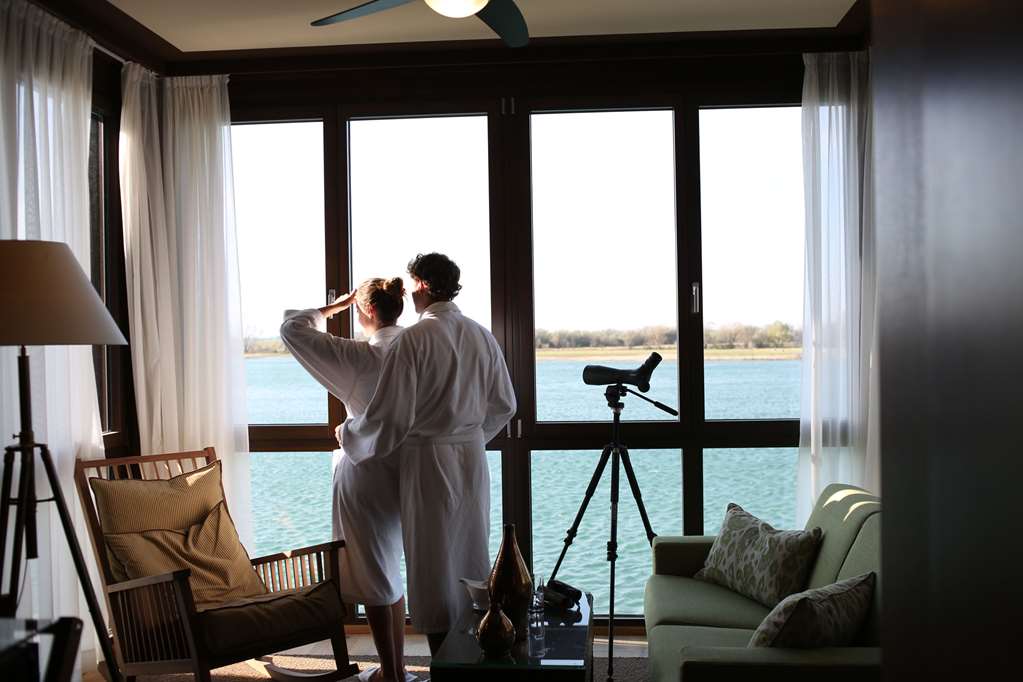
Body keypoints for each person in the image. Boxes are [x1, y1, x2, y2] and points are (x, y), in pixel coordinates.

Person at [340, 253, 517, 655]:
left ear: (421, 284)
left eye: (412, 284)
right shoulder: (481, 335)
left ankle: (445, 659)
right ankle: (477, 646)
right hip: (471, 459)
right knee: (470, 552)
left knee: (433, 563)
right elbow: (505, 405)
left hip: (427, 461)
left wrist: (348, 433)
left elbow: (390, 416)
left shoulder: (414, 339)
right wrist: (470, 437)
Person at [280, 278, 415, 682]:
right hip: (411, 470)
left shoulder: (361, 356)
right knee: (390, 570)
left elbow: (292, 329)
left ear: (368, 310)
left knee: (374, 573)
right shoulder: (417, 350)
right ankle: (395, 669)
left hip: (366, 471)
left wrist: (332, 308)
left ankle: (391, 674)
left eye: (356, 310)